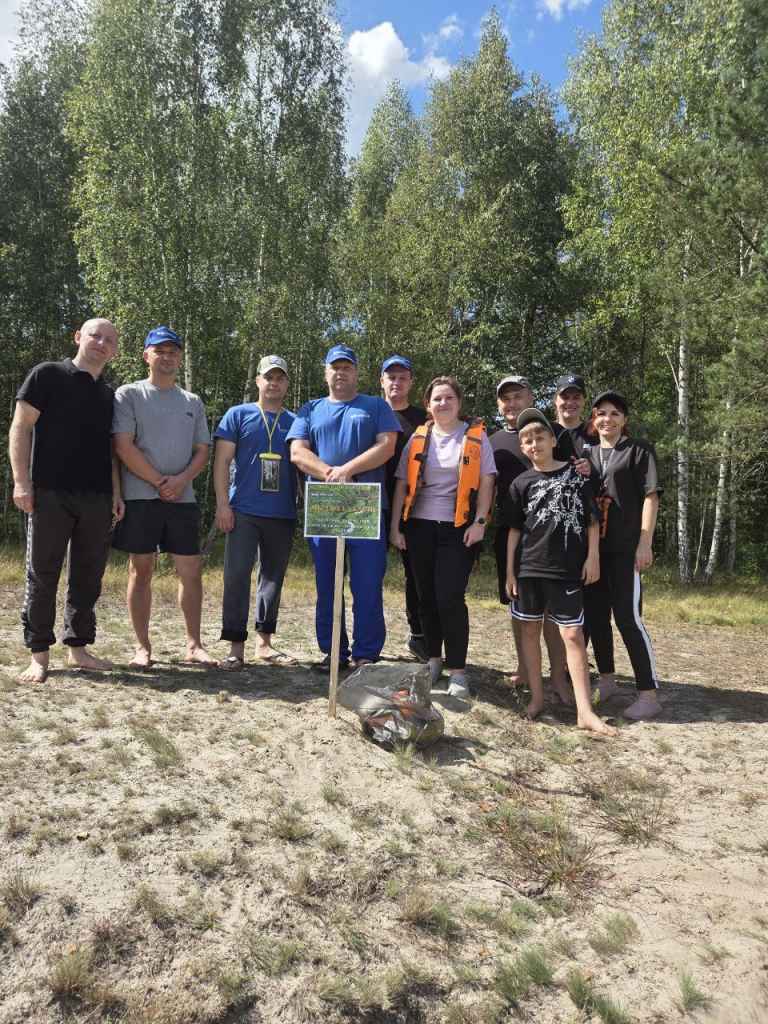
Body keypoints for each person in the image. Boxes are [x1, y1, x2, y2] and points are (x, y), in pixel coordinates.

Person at [9, 318, 123, 683]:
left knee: (88, 577)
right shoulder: (47, 375)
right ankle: (39, 654)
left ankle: (78, 648)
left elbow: (111, 449)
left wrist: (116, 493)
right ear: (78, 337)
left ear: (114, 350)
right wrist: (21, 482)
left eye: (109, 340)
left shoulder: (109, 394)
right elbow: (21, 426)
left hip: (97, 497)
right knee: (42, 575)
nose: (101, 343)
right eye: (95, 335)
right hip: (49, 493)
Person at [287, 343, 400, 671]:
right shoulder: (310, 409)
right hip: (325, 507)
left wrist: (347, 470)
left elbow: (387, 446)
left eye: (346, 367)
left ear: (356, 372)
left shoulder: (375, 406)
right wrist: (330, 473)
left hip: (365, 505)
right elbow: (297, 452)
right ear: (326, 373)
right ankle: (333, 651)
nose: (341, 372)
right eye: (335, 367)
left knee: (367, 583)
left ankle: (366, 653)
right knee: (328, 584)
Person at [504, 408, 616, 736]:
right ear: (522, 447)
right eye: (527, 440)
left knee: (572, 635)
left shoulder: (576, 475)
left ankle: (585, 711)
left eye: (540, 437)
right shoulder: (520, 483)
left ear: (553, 440)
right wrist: (510, 572)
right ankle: (537, 698)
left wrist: (593, 557)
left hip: (566, 569)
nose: (534, 443)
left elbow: (592, 520)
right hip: (528, 569)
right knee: (529, 631)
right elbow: (514, 530)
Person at [112, 326, 215, 668]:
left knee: (191, 570)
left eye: (173, 351)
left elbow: (203, 450)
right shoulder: (129, 394)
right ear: (147, 355)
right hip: (141, 496)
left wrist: (181, 480)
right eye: (160, 351)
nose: (167, 357)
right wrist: (158, 481)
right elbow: (123, 445)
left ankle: (194, 645)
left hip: (182, 499)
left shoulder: (192, 402)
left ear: (180, 357)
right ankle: (142, 647)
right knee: (141, 570)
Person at [390, 376, 496, 699]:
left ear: (459, 403)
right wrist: (395, 527)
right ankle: (433, 660)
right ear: (428, 404)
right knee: (426, 597)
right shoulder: (418, 437)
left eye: (449, 397)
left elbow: (487, 481)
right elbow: (401, 484)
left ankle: (458, 671)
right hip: (419, 527)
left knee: (450, 597)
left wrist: (480, 522)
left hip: (458, 528)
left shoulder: (475, 437)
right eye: (437, 398)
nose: (443, 403)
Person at [582, 390, 662, 720]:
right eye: (601, 413)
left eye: (615, 413)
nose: (607, 419)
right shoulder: (586, 453)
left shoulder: (638, 451)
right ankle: (607, 680)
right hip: (593, 551)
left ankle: (648, 694)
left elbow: (651, 497)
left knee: (628, 619)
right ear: (593, 419)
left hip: (626, 549)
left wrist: (645, 541)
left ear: (624, 419)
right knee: (596, 617)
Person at [214, 355, 297, 668]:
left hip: (282, 512)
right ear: (258, 381)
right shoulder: (238, 414)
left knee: (272, 578)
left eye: (280, 378)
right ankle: (235, 647)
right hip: (243, 510)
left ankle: (265, 643)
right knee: (236, 575)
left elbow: (304, 467)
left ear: (286, 384)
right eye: (268, 377)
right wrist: (223, 504)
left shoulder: (296, 421)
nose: (274, 383)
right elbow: (222, 462)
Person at [490, 375, 569, 691]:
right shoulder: (492, 441)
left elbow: (577, 470)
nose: (512, 403)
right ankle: (524, 668)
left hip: (554, 535)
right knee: (518, 607)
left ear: (531, 398)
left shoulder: (553, 433)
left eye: (518, 396)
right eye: (506, 398)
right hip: (511, 534)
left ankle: (558, 673)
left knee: (552, 611)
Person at [380, 354, 428, 661]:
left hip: (414, 508)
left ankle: (419, 635)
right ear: (381, 381)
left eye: (402, 377)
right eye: (391, 377)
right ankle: (366, 640)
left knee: (416, 574)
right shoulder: (369, 413)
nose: (396, 382)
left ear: (410, 382)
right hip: (370, 504)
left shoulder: (425, 420)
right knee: (368, 575)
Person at [552, 373, 593, 459]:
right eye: (565, 397)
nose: (570, 403)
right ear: (555, 400)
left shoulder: (594, 433)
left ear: (584, 401)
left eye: (576, 398)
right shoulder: (546, 432)